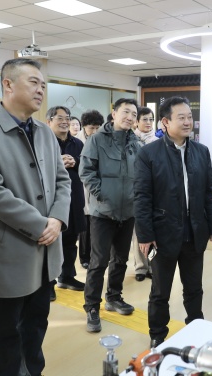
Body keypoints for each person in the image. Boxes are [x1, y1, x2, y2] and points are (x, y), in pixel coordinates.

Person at [0, 58, 71, 376]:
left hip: (46, 250)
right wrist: (42, 225)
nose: (41, 90)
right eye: (33, 82)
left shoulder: (44, 132)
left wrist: (57, 219)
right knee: (5, 335)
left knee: (35, 328)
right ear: (7, 85)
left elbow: (62, 181)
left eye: (43, 85)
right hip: (8, 251)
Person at [134, 96, 212, 348]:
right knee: (160, 291)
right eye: (181, 117)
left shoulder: (201, 152)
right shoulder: (148, 154)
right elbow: (142, 197)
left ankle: (196, 327)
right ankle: (157, 334)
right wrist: (145, 235)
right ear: (165, 122)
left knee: (194, 288)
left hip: (194, 232)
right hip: (161, 236)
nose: (187, 122)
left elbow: (208, 192)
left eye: (189, 117)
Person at [79, 98, 141, 333]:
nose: (130, 117)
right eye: (125, 112)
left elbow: (142, 175)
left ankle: (114, 297)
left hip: (128, 211)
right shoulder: (96, 140)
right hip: (103, 212)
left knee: (121, 259)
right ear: (114, 114)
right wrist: (102, 195)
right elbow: (86, 171)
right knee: (98, 262)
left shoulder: (136, 143)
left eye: (133, 114)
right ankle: (92, 307)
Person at [46, 106, 87, 301]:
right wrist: (56, 163)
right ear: (49, 121)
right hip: (52, 200)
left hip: (74, 197)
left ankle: (67, 276)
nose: (64, 121)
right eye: (59, 118)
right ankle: (48, 283)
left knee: (71, 240)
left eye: (67, 118)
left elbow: (87, 166)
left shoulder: (78, 143)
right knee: (52, 241)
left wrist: (75, 162)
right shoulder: (43, 142)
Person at [75, 109, 104, 269]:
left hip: (96, 185)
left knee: (95, 224)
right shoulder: (77, 141)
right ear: (84, 126)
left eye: (97, 127)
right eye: (91, 127)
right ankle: (84, 257)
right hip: (80, 186)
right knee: (84, 225)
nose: (94, 131)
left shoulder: (102, 140)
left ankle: (95, 256)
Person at [131, 107, 158, 281]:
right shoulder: (131, 141)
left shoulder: (158, 142)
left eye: (151, 119)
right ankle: (141, 267)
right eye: (145, 119)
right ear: (137, 122)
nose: (148, 123)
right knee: (139, 232)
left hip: (155, 192)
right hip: (137, 192)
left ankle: (153, 266)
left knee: (154, 231)